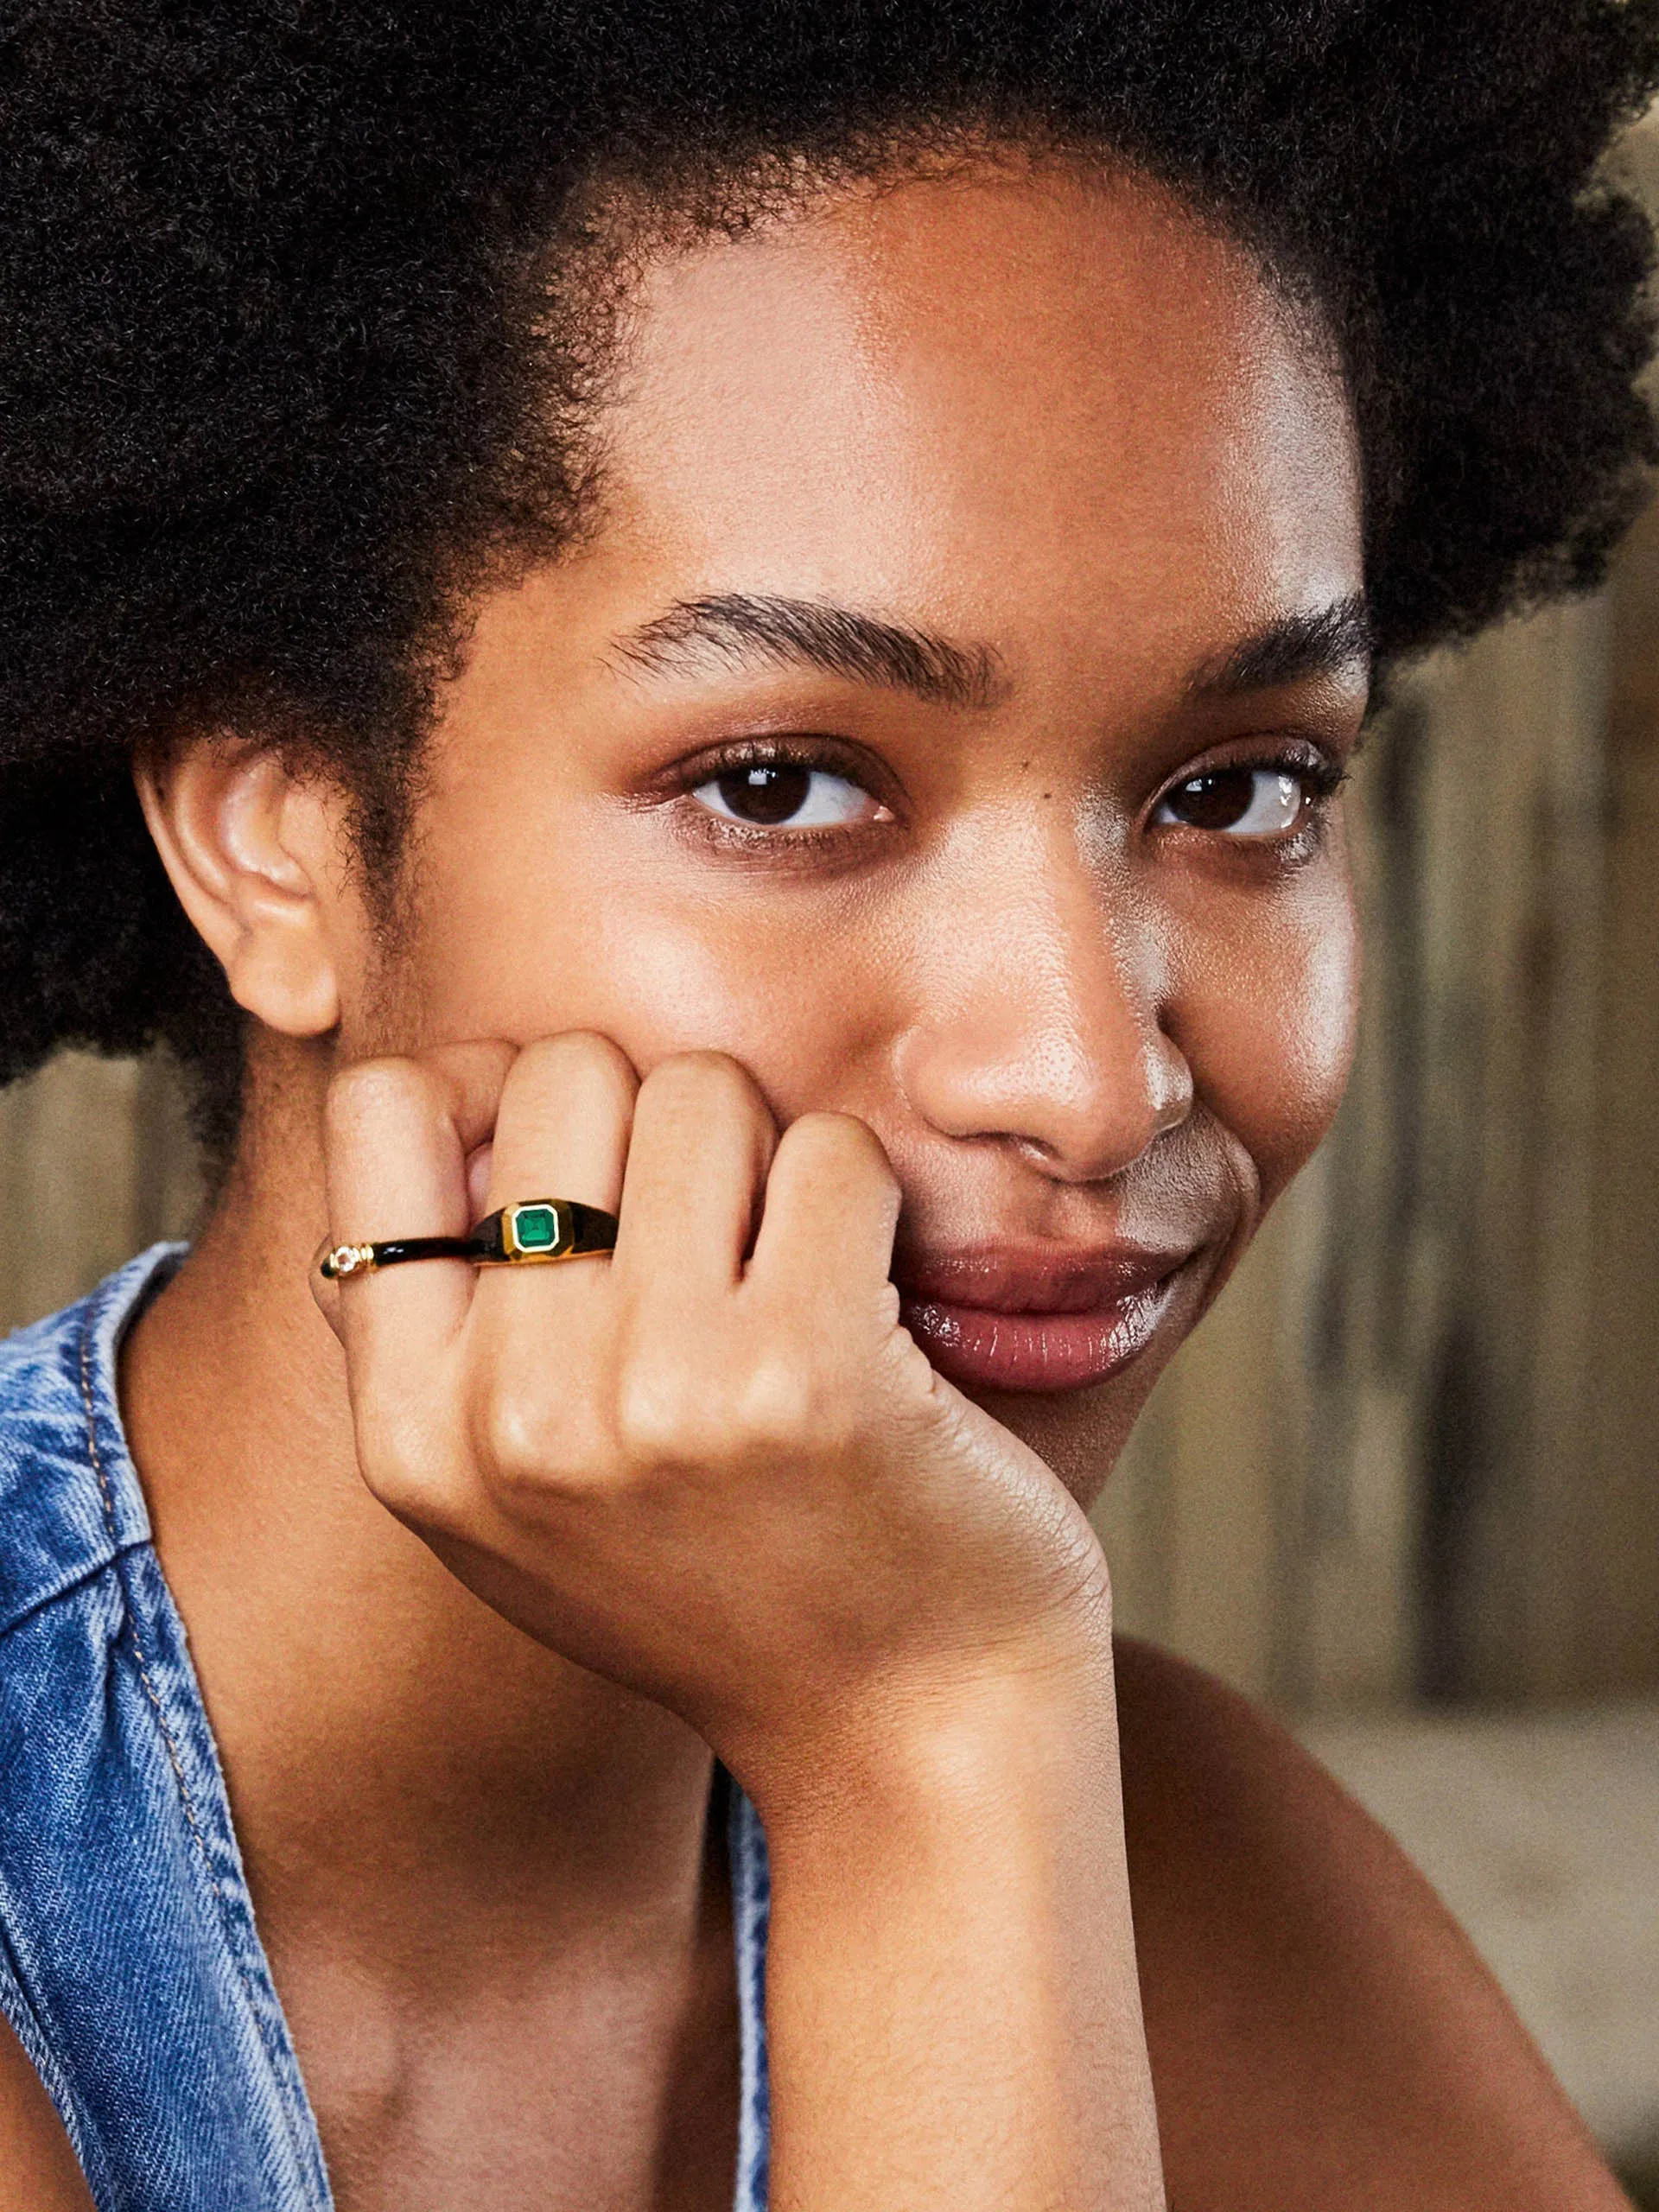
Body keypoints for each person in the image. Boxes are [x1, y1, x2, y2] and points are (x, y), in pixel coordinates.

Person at [2, 4, 1655, 2206]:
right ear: (277, 837)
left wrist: (948, 1756)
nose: (1084, 1076)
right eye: (782, 784)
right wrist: (928, 1749)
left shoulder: (1154, 1850)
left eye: (1239, 787)